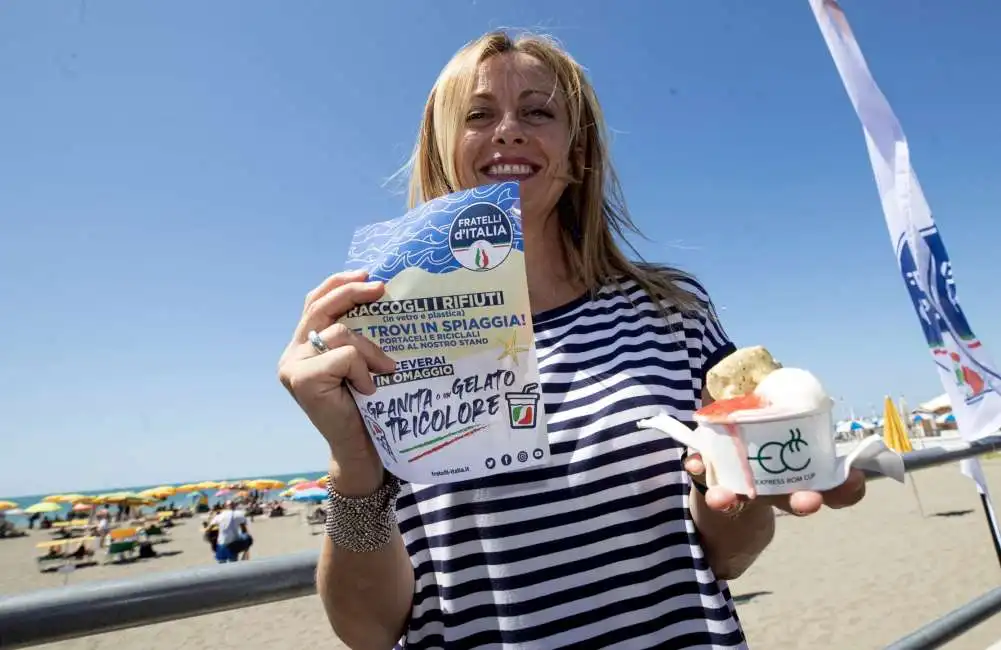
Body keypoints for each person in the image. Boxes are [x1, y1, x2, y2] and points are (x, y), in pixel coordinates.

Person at [277, 31, 868, 649]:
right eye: (478, 114)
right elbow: (368, 631)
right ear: (441, 146)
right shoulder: (381, 339)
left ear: (576, 145)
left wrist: (738, 488)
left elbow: (728, 559)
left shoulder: (670, 313)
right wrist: (352, 457)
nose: (508, 129)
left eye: (538, 110)